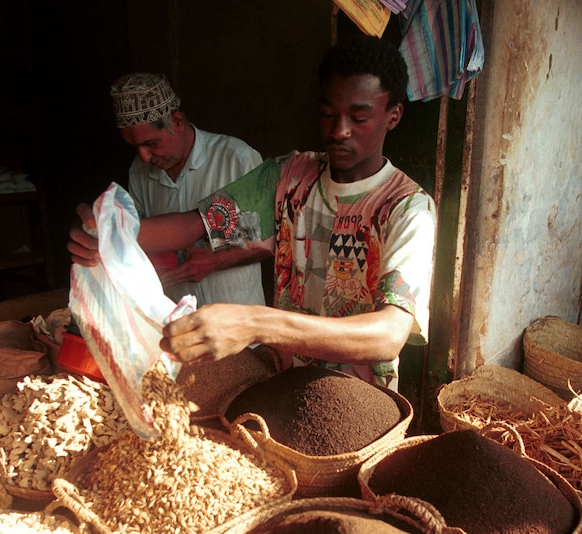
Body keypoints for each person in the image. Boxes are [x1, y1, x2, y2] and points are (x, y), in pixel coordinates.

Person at [70, 34, 436, 390]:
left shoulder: (406, 207)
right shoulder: (288, 175)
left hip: (361, 397)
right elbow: (192, 225)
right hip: (284, 379)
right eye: (328, 114)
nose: (339, 131)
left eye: (359, 118)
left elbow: (388, 336)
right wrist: (108, 230)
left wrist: (254, 322)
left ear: (393, 115)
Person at [109, 72, 268, 306]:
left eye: (151, 144)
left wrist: (215, 261)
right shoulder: (138, 172)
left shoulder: (237, 159)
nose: (143, 157)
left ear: (177, 122)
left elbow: (272, 241)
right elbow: (138, 239)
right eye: (136, 147)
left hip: (237, 322)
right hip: (177, 323)